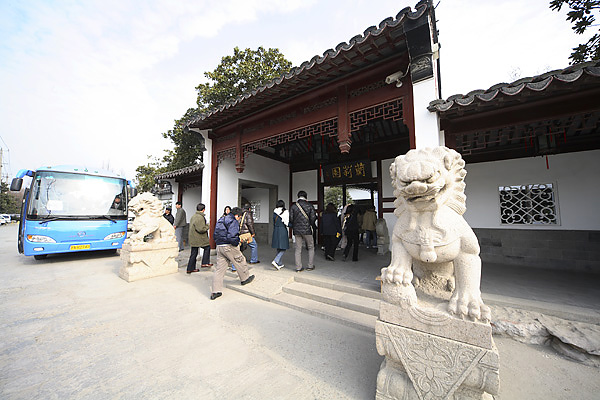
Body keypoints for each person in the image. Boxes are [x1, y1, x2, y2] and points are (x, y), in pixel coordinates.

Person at [210, 207, 255, 300]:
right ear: (236, 215)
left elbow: (215, 234)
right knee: (240, 260)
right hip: (228, 246)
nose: (239, 219)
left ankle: (216, 291)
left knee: (219, 269)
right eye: (239, 217)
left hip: (219, 246)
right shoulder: (233, 221)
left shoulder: (221, 219)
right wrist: (237, 243)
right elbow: (232, 236)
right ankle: (245, 278)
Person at [289, 190, 317, 272]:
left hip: (297, 231)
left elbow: (291, 219)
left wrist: (295, 225)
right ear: (306, 197)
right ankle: (310, 266)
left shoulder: (293, 206)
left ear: (298, 197)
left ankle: (298, 267)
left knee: (298, 249)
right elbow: (313, 218)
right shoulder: (310, 205)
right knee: (311, 247)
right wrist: (310, 225)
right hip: (307, 230)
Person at [187, 203, 212, 274]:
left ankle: (190, 268)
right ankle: (205, 262)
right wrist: (207, 226)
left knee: (193, 253)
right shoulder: (200, 217)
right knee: (207, 247)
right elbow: (201, 229)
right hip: (199, 238)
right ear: (203, 209)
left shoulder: (193, 216)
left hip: (193, 237)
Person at [271, 200, 289, 270]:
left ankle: (279, 263)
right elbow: (287, 223)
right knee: (284, 248)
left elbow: (273, 222)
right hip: (282, 230)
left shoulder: (274, 212)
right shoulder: (285, 212)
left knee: (278, 247)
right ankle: (276, 260)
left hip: (276, 230)